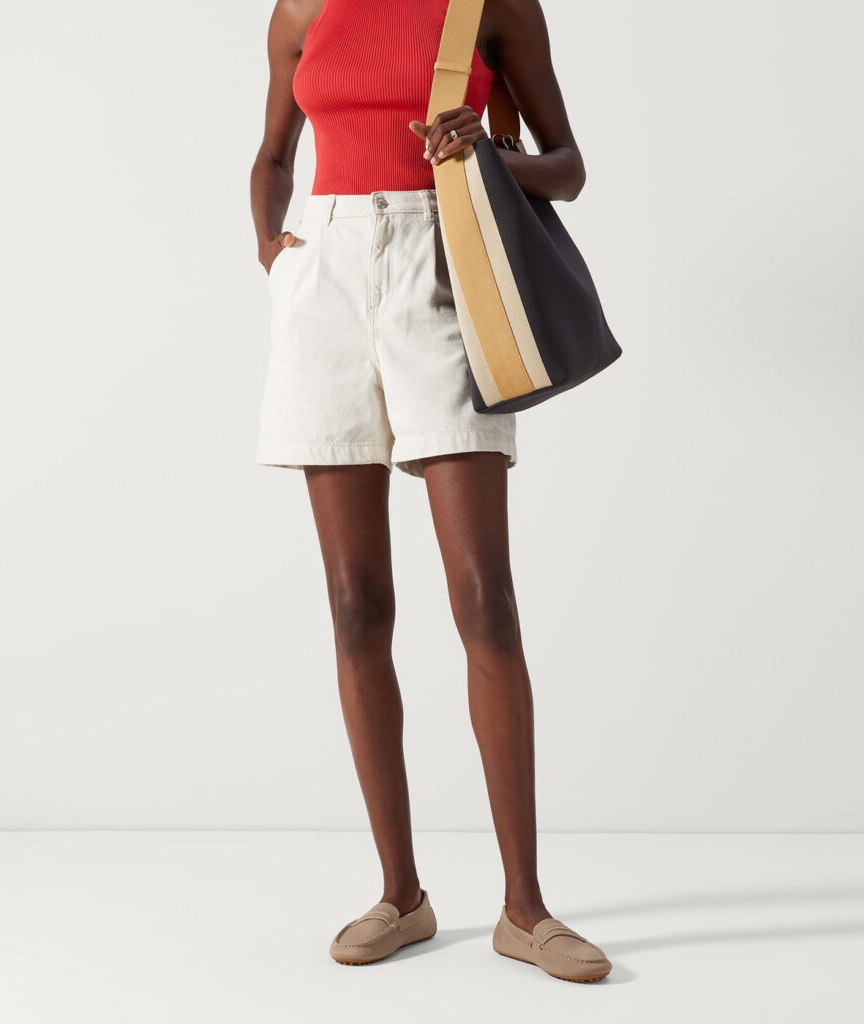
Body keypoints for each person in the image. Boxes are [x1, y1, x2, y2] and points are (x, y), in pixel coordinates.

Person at [250, 0, 612, 983]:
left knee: (484, 599)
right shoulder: (301, 8)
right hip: (325, 279)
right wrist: (273, 249)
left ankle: (525, 911)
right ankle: (401, 894)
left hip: (440, 269)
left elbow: (568, 164)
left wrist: (486, 155)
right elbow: (273, 154)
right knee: (354, 604)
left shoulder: (491, 5)